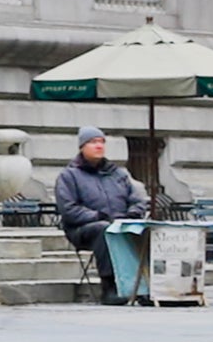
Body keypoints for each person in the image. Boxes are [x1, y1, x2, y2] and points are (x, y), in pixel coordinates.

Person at [54, 128, 148, 302]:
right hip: (84, 229)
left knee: (147, 230)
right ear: (82, 146)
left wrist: (133, 214)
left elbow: (138, 200)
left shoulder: (119, 174)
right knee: (104, 229)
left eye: (102, 142)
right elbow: (68, 209)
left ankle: (146, 286)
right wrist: (98, 216)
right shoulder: (69, 176)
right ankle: (109, 288)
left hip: (120, 224)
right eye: (93, 142)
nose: (99, 146)